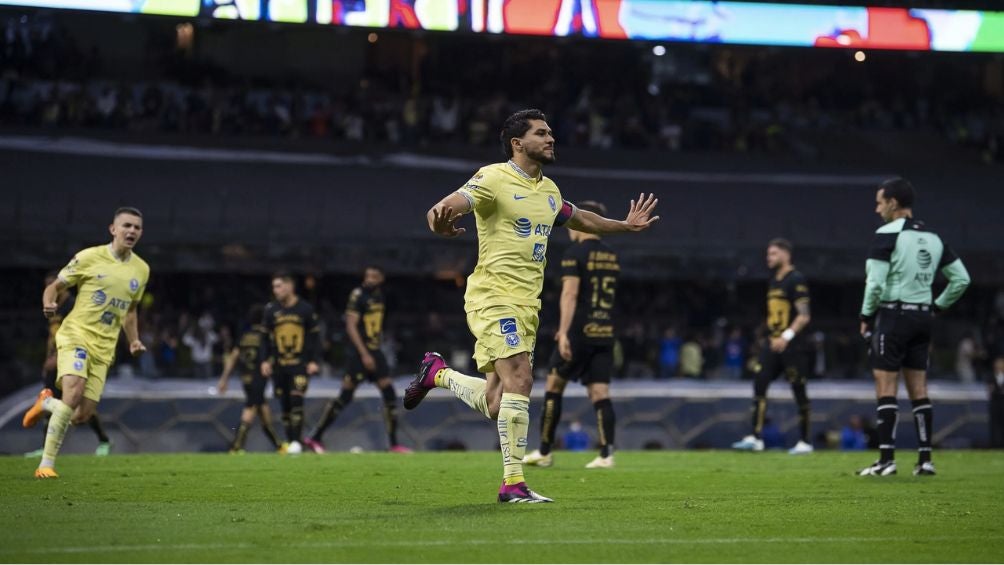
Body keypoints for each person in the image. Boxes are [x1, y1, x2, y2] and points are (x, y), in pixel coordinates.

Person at [402, 109, 659, 503]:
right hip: (493, 296)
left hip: (527, 305)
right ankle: (513, 483)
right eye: (542, 133)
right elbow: (447, 206)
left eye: (551, 132)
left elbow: (580, 219)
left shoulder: (550, 190)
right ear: (518, 143)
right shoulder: (493, 178)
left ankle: (437, 374)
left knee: (496, 402)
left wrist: (624, 226)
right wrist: (439, 221)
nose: (551, 138)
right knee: (521, 379)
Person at [22, 207, 150, 478]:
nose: (132, 231)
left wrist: (134, 340)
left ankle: (45, 403)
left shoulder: (142, 269)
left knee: (81, 415)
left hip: (105, 348)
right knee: (72, 393)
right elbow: (54, 286)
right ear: (113, 229)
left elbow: (130, 310)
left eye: (137, 227)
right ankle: (46, 464)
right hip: (76, 334)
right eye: (126, 225)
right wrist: (48, 303)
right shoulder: (90, 257)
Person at [857, 178, 970, 476]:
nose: (876, 208)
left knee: (886, 385)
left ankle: (886, 460)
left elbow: (876, 283)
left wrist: (866, 316)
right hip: (923, 319)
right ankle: (924, 460)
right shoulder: (934, 238)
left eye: (880, 202)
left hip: (894, 317)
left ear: (893, 203)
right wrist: (937, 306)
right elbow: (962, 279)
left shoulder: (886, 235)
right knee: (919, 388)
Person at [523, 200, 621, 469]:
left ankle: (544, 452)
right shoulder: (611, 255)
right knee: (600, 392)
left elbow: (570, 293)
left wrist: (563, 332)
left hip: (579, 330)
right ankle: (606, 455)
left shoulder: (574, 254)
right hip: (604, 331)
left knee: (554, 385)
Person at [304, 266, 411, 454]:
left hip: (375, 350)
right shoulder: (358, 295)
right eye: (368, 275)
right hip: (360, 353)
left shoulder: (379, 296)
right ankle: (314, 437)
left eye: (374, 276)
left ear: (381, 278)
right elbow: (351, 326)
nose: (370, 279)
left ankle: (393, 444)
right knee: (346, 395)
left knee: (389, 393)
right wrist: (364, 354)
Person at [732, 238, 814, 454]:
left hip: (793, 345)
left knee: (799, 390)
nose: (769, 258)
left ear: (786, 255)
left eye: (773, 254)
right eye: (768, 254)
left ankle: (805, 441)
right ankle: (755, 437)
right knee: (759, 384)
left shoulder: (795, 279)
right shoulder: (774, 281)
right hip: (773, 343)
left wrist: (786, 336)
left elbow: (804, 316)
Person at [25, 272, 114, 458]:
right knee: (51, 399)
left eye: (53, 284)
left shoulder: (73, 305)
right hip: (54, 360)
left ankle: (104, 441)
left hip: (73, 356)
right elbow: (52, 336)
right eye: (47, 285)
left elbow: (76, 332)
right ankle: (45, 448)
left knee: (80, 406)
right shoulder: (52, 307)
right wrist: (47, 358)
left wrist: (56, 357)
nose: (50, 288)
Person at [260, 272, 321, 455]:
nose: (275, 290)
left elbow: (315, 337)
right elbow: (264, 338)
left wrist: (314, 360)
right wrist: (264, 360)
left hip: (300, 365)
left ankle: (296, 441)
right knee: (284, 405)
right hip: (279, 366)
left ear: (289, 287)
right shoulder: (271, 310)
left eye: (278, 286)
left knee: (296, 399)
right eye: (274, 287)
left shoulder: (305, 309)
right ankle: (292, 441)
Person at [216, 304, 285, 454]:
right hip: (258, 379)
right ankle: (236, 447)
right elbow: (273, 357)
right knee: (250, 409)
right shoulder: (265, 336)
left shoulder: (244, 336)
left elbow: (233, 358)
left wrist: (224, 378)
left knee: (264, 412)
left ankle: (279, 446)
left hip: (246, 378)